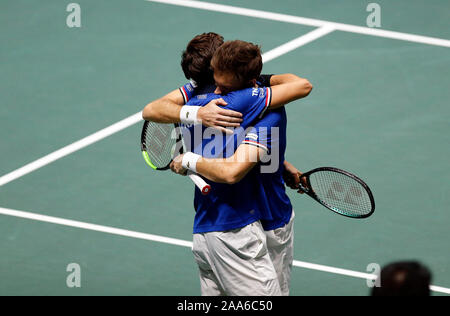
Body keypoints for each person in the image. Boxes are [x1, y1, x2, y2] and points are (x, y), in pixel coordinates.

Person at [169, 40, 312, 295]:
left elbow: (150, 110)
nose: (220, 89)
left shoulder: (190, 107)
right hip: (235, 230)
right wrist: (189, 160)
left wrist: (279, 164)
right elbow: (231, 171)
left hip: (221, 226)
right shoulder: (263, 108)